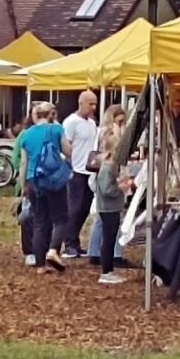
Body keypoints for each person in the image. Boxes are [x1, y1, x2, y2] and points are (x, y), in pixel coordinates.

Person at [15, 100, 72, 272]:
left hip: (34, 180)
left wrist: (23, 184)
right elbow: (68, 151)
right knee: (61, 218)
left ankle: (40, 264)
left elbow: (23, 163)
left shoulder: (26, 134)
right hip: (53, 179)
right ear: (51, 115)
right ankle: (53, 250)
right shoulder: (56, 129)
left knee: (40, 221)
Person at [91, 128, 134, 285]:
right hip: (108, 208)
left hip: (111, 207)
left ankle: (108, 270)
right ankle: (106, 271)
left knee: (110, 238)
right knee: (108, 239)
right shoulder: (107, 168)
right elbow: (106, 189)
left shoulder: (110, 166)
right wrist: (120, 188)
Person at [61, 90, 100, 259]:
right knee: (74, 207)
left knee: (85, 207)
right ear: (81, 103)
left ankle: (74, 240)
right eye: (90, 104)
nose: (93, 107)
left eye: (95, 104)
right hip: (76, 170)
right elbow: (65, 145)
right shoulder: (71, 122)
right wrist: (68, 165)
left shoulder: (92, 123)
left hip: (90, 170)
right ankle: (69, 243)